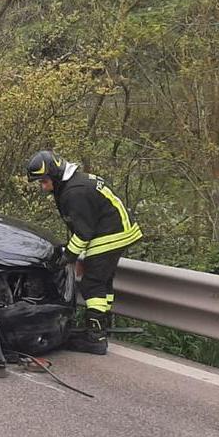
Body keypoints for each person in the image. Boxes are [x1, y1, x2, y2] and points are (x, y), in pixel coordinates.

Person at [26, 150, 143, 355]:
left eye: (44, 181)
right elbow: (84, 226)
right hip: (116, 230)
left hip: (111, 233)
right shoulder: (75, 183)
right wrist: (79, 255)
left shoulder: (74, 192)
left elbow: (83, 233)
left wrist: (67, 258)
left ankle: (95, 338)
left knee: (92, 283)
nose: (43, 187)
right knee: (102, 280)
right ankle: (99, 327)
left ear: (55, 174)